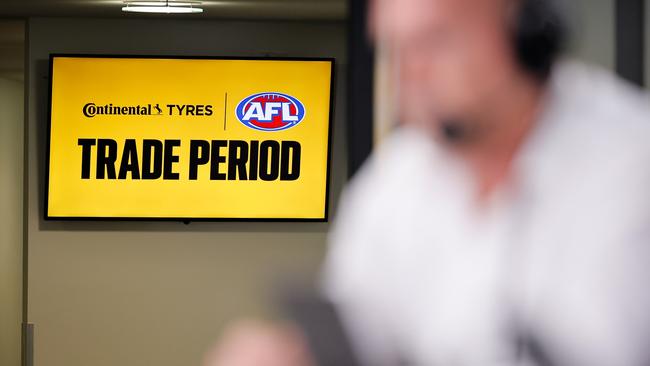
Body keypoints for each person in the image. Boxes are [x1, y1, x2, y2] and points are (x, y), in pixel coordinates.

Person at [205, 0, 650, 365]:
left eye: (435, 42)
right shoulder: (393, 184)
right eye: (395, 48)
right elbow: (364, 337)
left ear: (525, 30)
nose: (410, 73)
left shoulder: (632, 164)